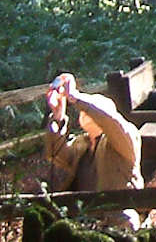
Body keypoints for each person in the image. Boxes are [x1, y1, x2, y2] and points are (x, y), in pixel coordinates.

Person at [42, 73, 144, 228]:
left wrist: (76, 97)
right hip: (82, 219)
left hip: (116, 217)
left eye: (89, 111)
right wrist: (58, 117)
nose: (84, 113)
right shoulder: (82, 144)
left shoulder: (124, 139)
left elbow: (109, 120)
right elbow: (55, 153)